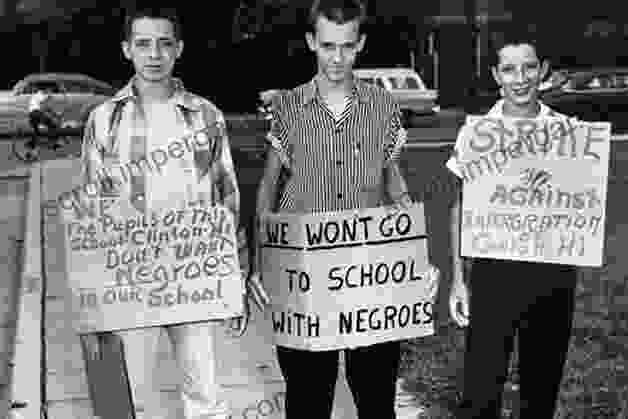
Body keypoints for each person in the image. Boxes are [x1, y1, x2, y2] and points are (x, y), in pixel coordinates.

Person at [254, 0, 429, 417]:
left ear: (361, 44)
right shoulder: (287, 107)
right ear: (312, 41)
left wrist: (413, 250)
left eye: (347, 46)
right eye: (328, 45)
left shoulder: (383, 106)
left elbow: (393, 181)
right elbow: (269, 187)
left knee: (374, 394)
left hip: (368, 268)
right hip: (304, 271)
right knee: (308, 396)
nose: (337, 58)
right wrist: (262, 262)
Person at [78, 7, 248, 419]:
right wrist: (93, 290)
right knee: (128, 396)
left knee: (205, 392)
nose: (153, 54)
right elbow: (90, 209)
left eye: (163, 43)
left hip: (193, 275)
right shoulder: (104, 122)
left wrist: (235, 280)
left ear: (179, 49)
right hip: (131, 277)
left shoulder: (206, 117)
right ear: (126, 50)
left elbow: (226, 201)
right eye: (142, 44)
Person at [447, 32, 580, 418]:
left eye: (528, 67)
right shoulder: (477, 133)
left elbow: (578, 202)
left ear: (543, 71)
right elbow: (459, 204)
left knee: (541, 387)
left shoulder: (567, 132)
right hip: (494, 273)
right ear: (495, 75)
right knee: (481, 390)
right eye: (509, 69)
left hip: (552, 273)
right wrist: (458, 277)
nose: (519, 78)